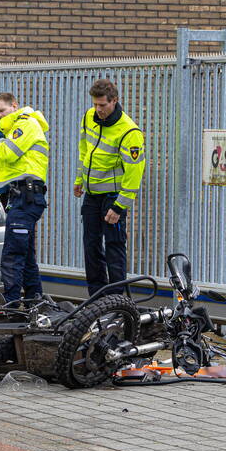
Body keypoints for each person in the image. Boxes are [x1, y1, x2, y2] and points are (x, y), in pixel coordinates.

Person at [0, 92, 50, 306]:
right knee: (25, 255)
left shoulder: (26, 124)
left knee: (13, 254)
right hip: (16, 198)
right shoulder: (6, 133)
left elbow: (9, 154)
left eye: (2, 110)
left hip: (26, 196)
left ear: (14, 106)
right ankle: (35, 302)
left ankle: (11, 305)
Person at [74, 79, 145, 296]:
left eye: (102, 105)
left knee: (114, 247)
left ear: (115, 101)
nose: (98, 109)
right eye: (95, 104)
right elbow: (84, 149)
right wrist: (79, 179)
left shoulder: (129, 131)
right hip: (92, 195)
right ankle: (96, 298)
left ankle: (116, 300)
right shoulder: (89, 116)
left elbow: (134, 172)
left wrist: (119, 206)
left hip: (113, 197)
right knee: (91, 246)